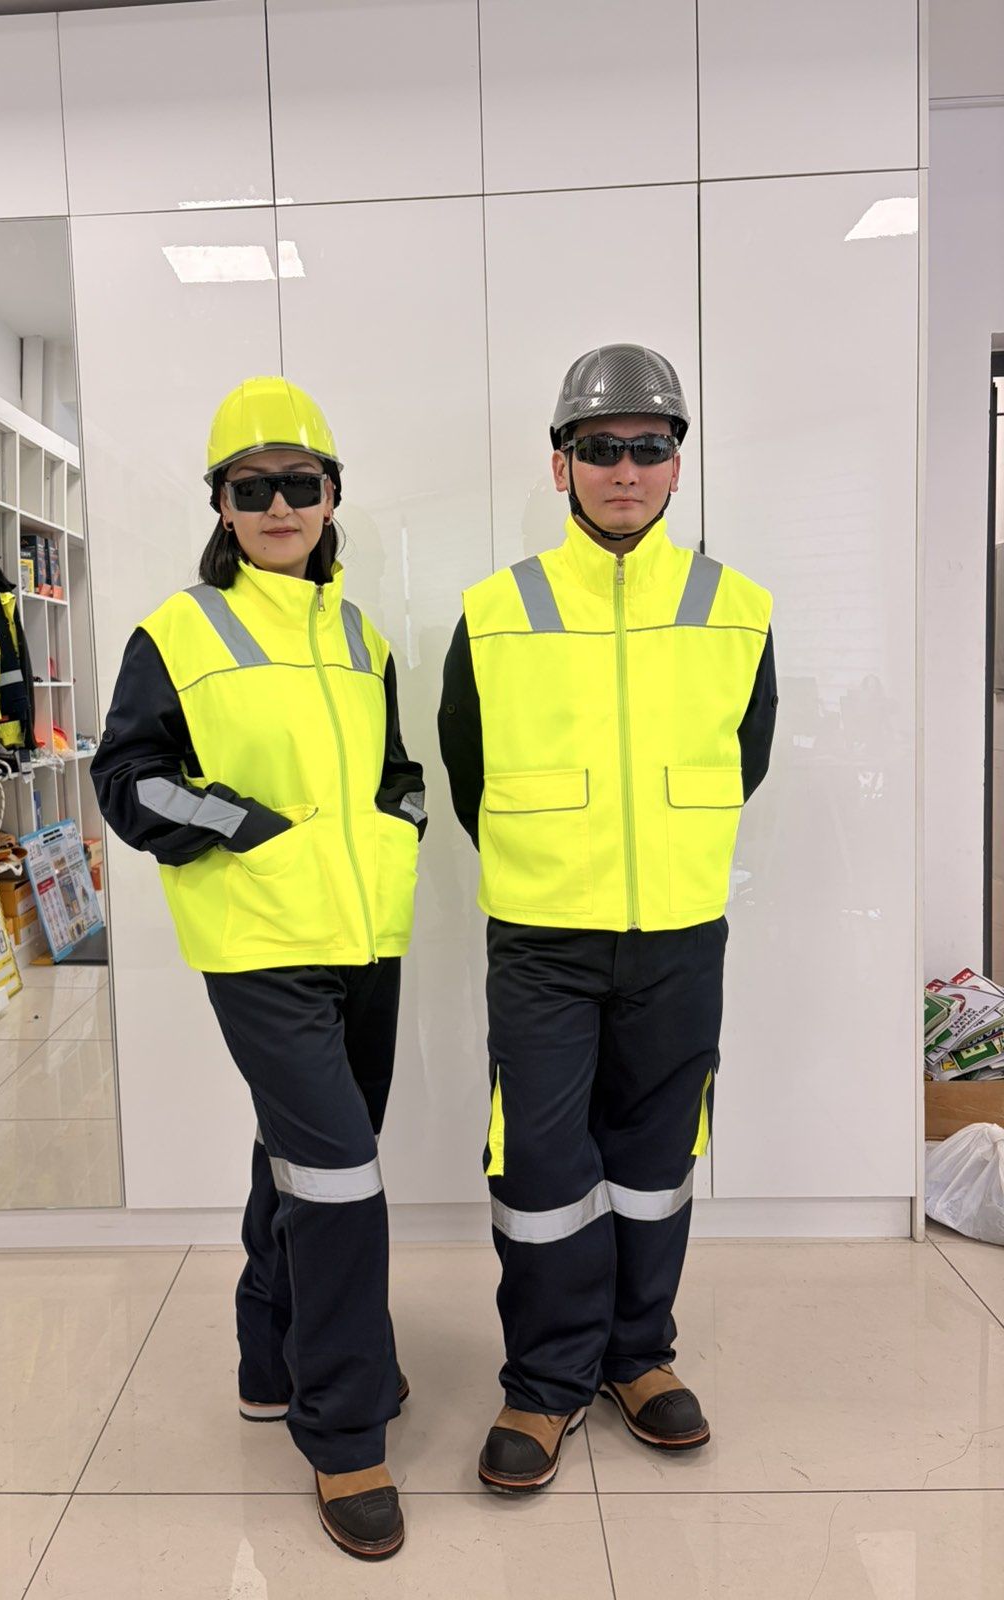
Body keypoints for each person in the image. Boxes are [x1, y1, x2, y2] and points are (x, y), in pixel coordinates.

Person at [92, 376, 425, 1560]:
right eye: (253, 487)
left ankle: (268, 1360)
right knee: (341, 1180)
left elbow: (397, 772)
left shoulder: (363, 636)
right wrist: (244, 826)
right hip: (258, 944)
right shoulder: (177, 632)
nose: (279, 504)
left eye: (300, 482)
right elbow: (127, 778)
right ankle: (345, 1430)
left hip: (366, 941)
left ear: (331, 496)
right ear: (221, 505)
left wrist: (400, 825)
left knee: (304, 1158)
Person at [438, 344, 776, 1492]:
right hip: (544, 937)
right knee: (539, 1160)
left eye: (648, 446)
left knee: (656, 1155)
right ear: (561, 464)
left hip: (680, 933)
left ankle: (637, 1354)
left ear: (677, 463)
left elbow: (747, 756)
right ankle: (544, 1379)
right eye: (600, 448)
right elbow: (469, 768)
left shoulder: (737, 609)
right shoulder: (496, 612)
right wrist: (557, 857)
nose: (625, 468)